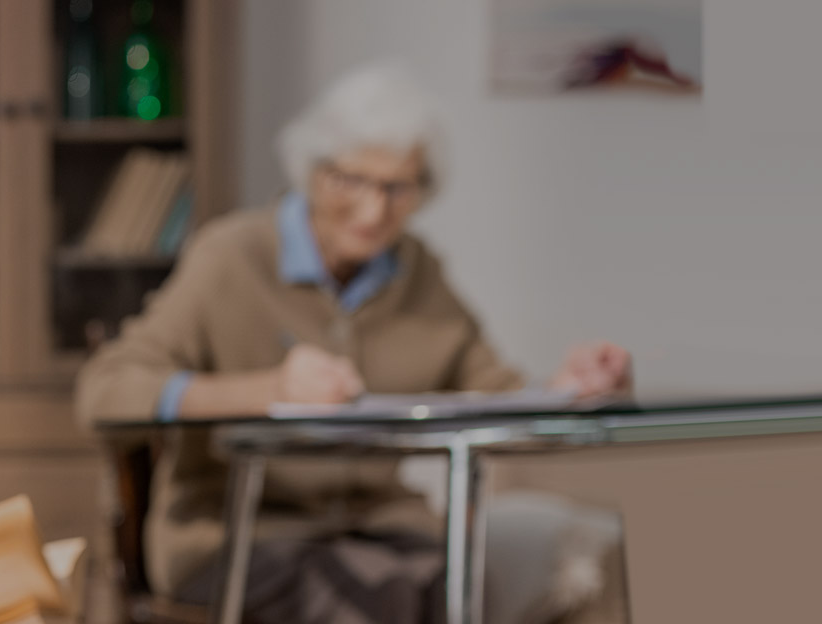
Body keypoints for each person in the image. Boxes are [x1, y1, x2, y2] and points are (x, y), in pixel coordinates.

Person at [75, 65, 631, 622]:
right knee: (380, 596)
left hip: (382, 530)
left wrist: (568, 389)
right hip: (238, 538)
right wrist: (269, 391)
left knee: (467, 587)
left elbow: (496, 391)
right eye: (351, 181)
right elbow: (105, 390)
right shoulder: (230, 257)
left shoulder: (419, 272)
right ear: (313, 172)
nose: (374, 210)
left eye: (396, 188)